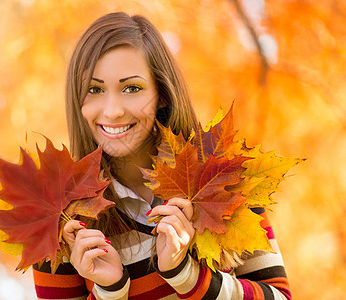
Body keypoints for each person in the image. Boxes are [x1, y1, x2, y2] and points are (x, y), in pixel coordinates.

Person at [33, 12, 291, 300]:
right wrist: (110, 291)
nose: (113, 110)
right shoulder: (60, 221)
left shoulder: (220, 179)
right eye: (95, 89)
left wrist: (188, 276)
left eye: (132, 88)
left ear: (162, 94)